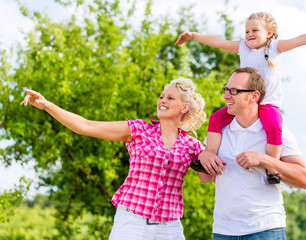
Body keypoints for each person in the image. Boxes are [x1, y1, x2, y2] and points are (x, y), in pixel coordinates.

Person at [20, 77, 206, 240]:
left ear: (184, 107)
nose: (162, 101)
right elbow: (86, 126)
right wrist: (47, 105)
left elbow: (209, 176)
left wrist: (211, 150)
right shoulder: (139, 130)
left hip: (169, 227)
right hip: (132, 223)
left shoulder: (192, 145)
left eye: (170, 98)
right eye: (161, 96)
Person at [175, 11, 306, 182]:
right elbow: (218, 42)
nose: (249, 34)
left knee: (273, 125)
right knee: (216, 118)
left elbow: (298, 40)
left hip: (267, 105)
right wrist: (193, 35)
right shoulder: (243, 48)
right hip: (244, 103)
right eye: (247, 31)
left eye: (255, 30)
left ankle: (272, 169)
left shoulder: (274, 48)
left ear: (269, 33)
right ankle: (209, 156)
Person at [197, 67, 306, 239]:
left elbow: (303, 180)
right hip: (223, 231)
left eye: (234, 91)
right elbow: (206, 178)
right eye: (226, 90)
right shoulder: (219, 131)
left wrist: (264, 159)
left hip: (266, 229)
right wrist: (202, 157)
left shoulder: (278, 131)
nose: (226, 96)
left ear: (254, 96)